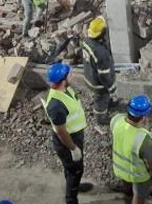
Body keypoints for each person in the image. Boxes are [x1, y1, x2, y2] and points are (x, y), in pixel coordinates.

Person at [44, 63, 93, 204]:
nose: (73, 76)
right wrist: (73, 148)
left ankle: (74, 186)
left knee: (72, 168)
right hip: (67, 141)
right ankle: (71, 199)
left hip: (74, 135)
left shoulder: (66, 89)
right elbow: (60, 131)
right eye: (70, 74)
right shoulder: (56, 105)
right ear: (63, 80)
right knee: (74, 169)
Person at [111, 95, 152, 204]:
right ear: (144, 117)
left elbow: (124, 136)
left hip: (119, 169)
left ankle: (127, 191)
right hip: (138, 176)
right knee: (139, 196)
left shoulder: (116, 121)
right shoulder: (143, 139)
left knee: (127, 184)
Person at [81, 17, 117, 123]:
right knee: (101, 98)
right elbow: (104, 76)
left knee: (104, 97)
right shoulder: (101, 53)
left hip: (89, 75)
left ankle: (108, 103)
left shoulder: (86, 41)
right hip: (98, 84)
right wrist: (111, 87)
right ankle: (100, 117)